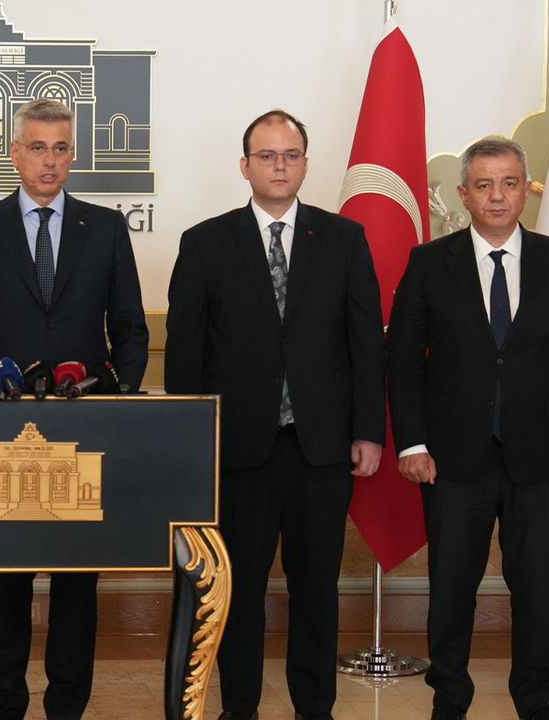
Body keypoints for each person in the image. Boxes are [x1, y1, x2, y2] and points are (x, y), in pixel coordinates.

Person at [164, 109, 386, 720]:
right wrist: (191, 443)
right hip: (237, 451)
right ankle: (240, 707)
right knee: (239, 590)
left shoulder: (343, 239)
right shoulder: (205, 242)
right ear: (245, 166)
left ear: (306, 165)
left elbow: (365, 344)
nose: (279, 166)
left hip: (323, 448)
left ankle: (315, 706)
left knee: (316, 588)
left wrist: (369, 430)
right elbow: (185, 355)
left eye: (290, 155)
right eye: (267, 156)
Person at [0, 98, 149, 720]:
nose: (49, 160)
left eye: (60, 148)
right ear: (15, 154)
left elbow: (130, 329)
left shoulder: (105, 228)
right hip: (3, 427)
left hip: (85, 427)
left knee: (78, 579)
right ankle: (4, 704)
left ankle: (67, 707)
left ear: (73, 155)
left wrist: (119, 394)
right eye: (37, 147)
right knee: (5, 578)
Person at [387, 135, 549, 720]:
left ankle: (535, 702)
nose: (498, 196)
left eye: (509, 184)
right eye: (484, 185)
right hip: (452, 459)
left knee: (535, 589)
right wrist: (412, 443)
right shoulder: (430, 263)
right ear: (464, 195)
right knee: (451, 589)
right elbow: (402, 364)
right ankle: (449, 700)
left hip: (540, 457)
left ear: (525, 191)